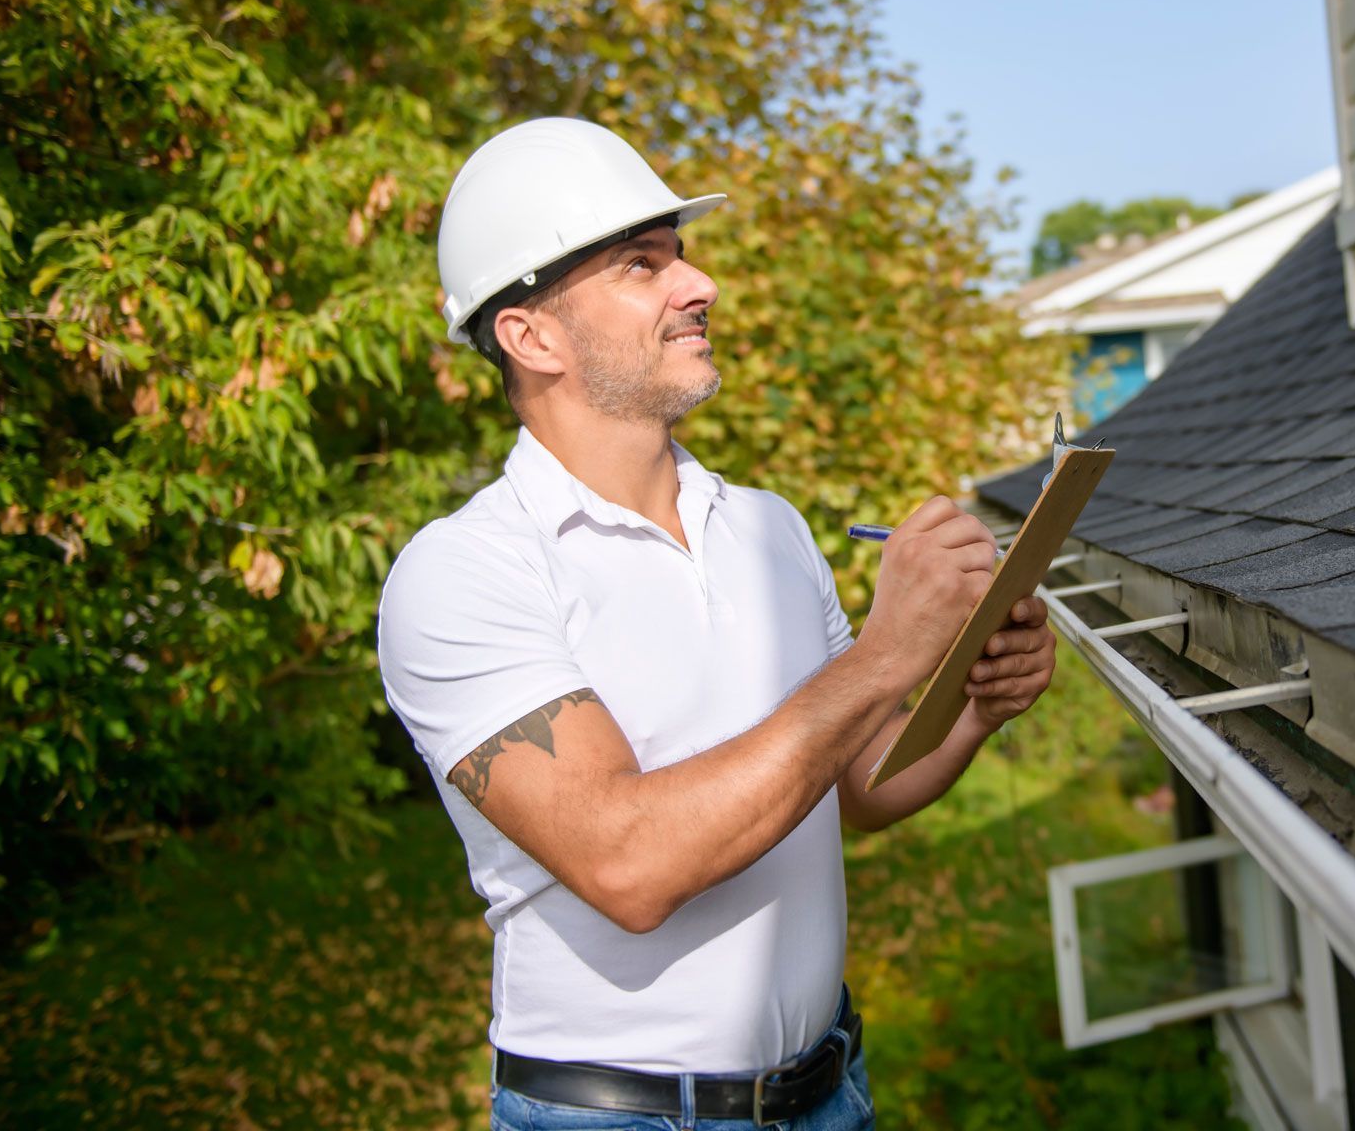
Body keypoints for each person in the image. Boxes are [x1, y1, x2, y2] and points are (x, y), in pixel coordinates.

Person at [377, 117, 1058, 1130]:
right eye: (641, 265)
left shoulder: (769, 529)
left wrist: (971, 710)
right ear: (532, 335)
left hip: (832, 1088)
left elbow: (858, 785)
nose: (699, 288)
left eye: (681, 259)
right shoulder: (464, 571)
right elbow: (629, 863)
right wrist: (885, 655)